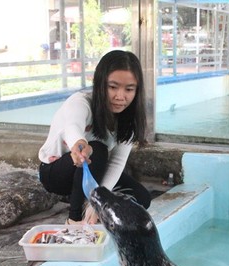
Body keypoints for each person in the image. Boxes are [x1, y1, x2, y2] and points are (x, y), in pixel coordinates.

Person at [38, 50, 151, 224]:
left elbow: (116, 163)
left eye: (129, 89)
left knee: (142, 198)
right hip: (57, 172)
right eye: (113, 87)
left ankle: (94, 207)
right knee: (97, 150)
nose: (120, 96)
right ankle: (75, 219)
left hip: (93, 171)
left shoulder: (129, 120)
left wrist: (101, 200)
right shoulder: (81, 102)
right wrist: (79, 143)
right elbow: (72, 126)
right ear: (100, 84)